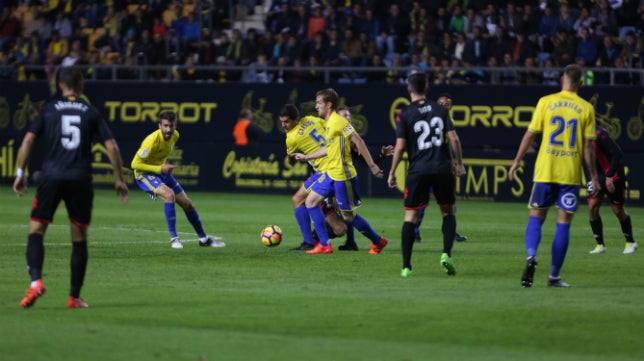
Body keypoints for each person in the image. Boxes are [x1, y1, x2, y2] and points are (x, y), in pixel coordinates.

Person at [13, 67, 129, 309]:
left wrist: (20, 173)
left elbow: (27, 140)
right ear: (81, 85)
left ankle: (35, 282)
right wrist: (119, 178)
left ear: (59, 85)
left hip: (51, 177)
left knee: (36, 230)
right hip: (80, 179)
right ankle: (74, 297)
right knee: (79, 236)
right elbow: (112, 146)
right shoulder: (90, 111)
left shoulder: (49, 108)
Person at [509, 64, 600, 288]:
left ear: (562, 80)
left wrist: (517, 160)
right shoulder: (586, 108)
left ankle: (531, 256)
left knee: (536, 217)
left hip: (545, 170)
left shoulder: (545, 102)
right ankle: (554, 276)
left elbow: (530, 134)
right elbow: (588, 147)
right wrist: (594, 177)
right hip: (569, 174)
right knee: (563, 225)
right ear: (580, 84)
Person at [387, 72, 466, 277]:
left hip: (417, 170)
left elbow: (400, 146)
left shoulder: (405, 114)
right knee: (448, 212)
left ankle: (406, 266)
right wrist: (459, 164)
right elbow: (454, 139)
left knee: (410, 216)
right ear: (428, 89)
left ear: (408, 89)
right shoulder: (441, 109)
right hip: (442, 168)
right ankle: (446, 254)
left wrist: (392, 171)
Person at [293, 88, 388, 255]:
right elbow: (329, 149)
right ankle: (324, 245)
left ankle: (378, 241)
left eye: (319, 103)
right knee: (311, 202)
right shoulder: (329, 123)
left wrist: (372, 165)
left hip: (343, 176)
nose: (316, 107)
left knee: (348, 217)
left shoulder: (339, 122)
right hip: (331, 173)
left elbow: (358, 141)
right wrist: (306, 157)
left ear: (329, 105)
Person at [131, 111, 225, 249]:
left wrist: (161, 169)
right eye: (165, 126)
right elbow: (134, 164)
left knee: (187, 204)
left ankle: (204, 240)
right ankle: (174, 239)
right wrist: (159, 169)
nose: (168, 129)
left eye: (171, 125)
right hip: (144, 174)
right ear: (160, 126)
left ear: (176, 125)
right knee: (169, 196)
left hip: (161, 171)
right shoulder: (151, 141)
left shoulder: (175, 135)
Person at [279, 104, 346, 251]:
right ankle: (349, 239)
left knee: (298, 199)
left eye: (286, 122)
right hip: (338, 165)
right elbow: (328, 129)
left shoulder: (291, 137)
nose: (284, 125)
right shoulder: (312, 119)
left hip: (325, 171)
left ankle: (310, 241)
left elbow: (291, 161)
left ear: (296, 120)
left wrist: (293, 156)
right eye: (282, 122)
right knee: (342, 221)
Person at [335, 105, 394, 251]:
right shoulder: (334, 131)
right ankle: (349, 242)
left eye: (348, 116)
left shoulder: (348, 136)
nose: (347, 118)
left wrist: (379, 156)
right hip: (331, 175)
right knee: (342, 211)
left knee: (343, 212)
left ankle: (317, 241)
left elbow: (361, 154)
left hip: (341, 176)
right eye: (344, 115)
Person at [414, 93, 467, 244]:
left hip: (428, 165)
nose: (444, 106)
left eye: (447, 103)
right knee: (434, 201)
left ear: (451, 106)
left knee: (445, 202)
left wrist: (452, 162)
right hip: (437, 167)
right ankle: (417, 231)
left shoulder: (429, 117)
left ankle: (449, 231)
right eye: (441, 103)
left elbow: (446, 145)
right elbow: (454, 140)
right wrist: (459, 163)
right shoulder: (443, 119)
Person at [587, 126, 637, 255]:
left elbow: (617, 152)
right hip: (595, 176)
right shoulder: (577, 135)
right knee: (592, 207)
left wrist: (609, 176)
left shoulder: (598, 134)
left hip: (612, 174)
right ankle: (600, 245)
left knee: (617, 210)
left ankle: (630, 242)